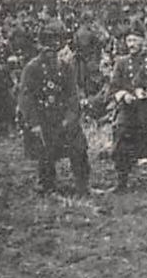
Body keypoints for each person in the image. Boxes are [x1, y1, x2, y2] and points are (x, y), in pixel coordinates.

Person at [16, 21, 91, 195]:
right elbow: (26, 98)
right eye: (48, 42)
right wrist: (34, 123)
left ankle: (83, 184)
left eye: (56, 42)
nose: (52, 47)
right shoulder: (32, 68)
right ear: (41, 44)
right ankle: (46, 184)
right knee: (46, 151)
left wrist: (70, 118)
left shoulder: (65, 67)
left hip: (63, 117)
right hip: (42, 118)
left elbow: (73, 95)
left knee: (79, 147)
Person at [107, 31, 147, 192]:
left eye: (134, 40)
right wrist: (123, 95)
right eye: (128, 40)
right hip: (128, 109)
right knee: (121, 132)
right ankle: (121, 180)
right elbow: (113, 87)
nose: (131, 44)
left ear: (143, 41)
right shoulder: (121, 63)